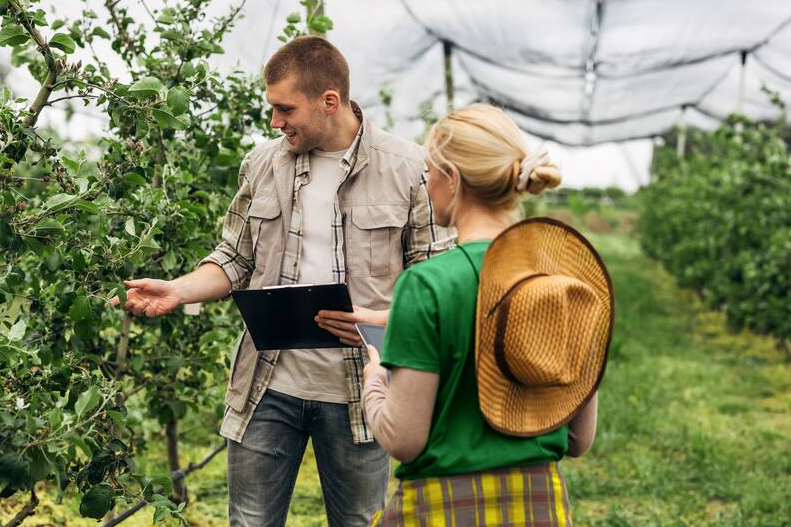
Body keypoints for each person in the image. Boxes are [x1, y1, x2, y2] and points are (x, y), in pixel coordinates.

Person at [114, 36, 455, 526]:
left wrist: (378, 321)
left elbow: (432, 281)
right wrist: (178, 290)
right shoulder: (262, 163)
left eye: (284, 109)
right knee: (250, 522)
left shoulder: (410, 169)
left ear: (329, 101)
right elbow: (234, 258)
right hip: (268, 384)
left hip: (363, 388)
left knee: (360, 521)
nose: (275, 122)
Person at [361, 103, 613, 525]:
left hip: (443, 508)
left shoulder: (426, 286)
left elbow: (404, 439)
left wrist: (373, 385)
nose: (425, 183)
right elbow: (579, 439)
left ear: (453, 178)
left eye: (428, 171)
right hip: (540, 507)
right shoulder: (567, 279)